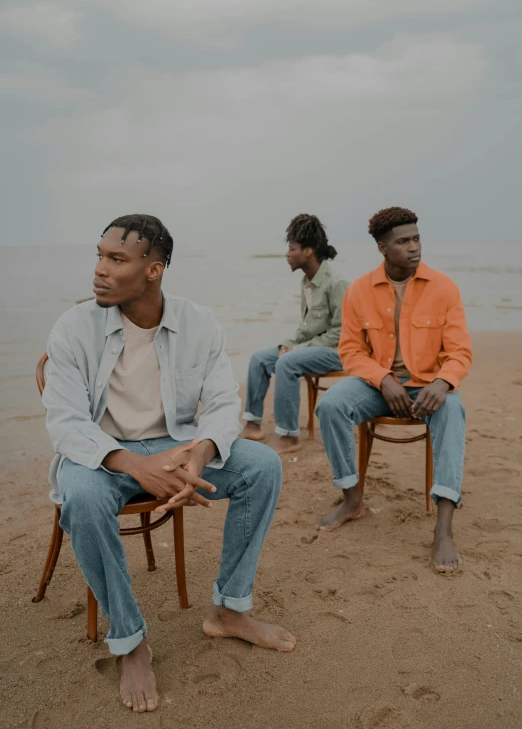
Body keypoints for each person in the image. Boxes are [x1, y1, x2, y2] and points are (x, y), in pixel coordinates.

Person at [42, 214, 296, 714]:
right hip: (101, 451)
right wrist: (136, 466)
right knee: (84, 498)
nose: (100, 269)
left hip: (178, 444)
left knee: (263, 466)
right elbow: (66, 422)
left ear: (153, 270)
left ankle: (228, 609)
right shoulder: (73, 327)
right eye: (99, 255)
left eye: (116, 259)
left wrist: (201, 452)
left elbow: (224, 401)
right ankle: (131, 640)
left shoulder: (197, 322)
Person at [315, 207, 472, 573]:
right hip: (379, 385)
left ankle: (444, 528)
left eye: (417, 238)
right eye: (403, 241)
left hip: (430, 385)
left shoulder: (444, 288)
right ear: (383, 247)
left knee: (453, 411)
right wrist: (383, 378)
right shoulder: (359, 290)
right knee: (331, 405)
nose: (414, 247)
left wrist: (442, 381)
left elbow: (460, 352)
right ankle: (352, 499)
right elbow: (351, 351)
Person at [242, 214, 349, 455]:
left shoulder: (337, 282)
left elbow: (342, 334)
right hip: (315, 347)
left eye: (292, 248)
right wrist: (289, 344)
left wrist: (296, 351)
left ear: (308, 251)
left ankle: (289, 436)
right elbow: (308, 328)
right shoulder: (307, 281)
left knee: (287, 362)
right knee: (260, 358)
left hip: (338, 351)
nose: (287, 254)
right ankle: (252, 425)